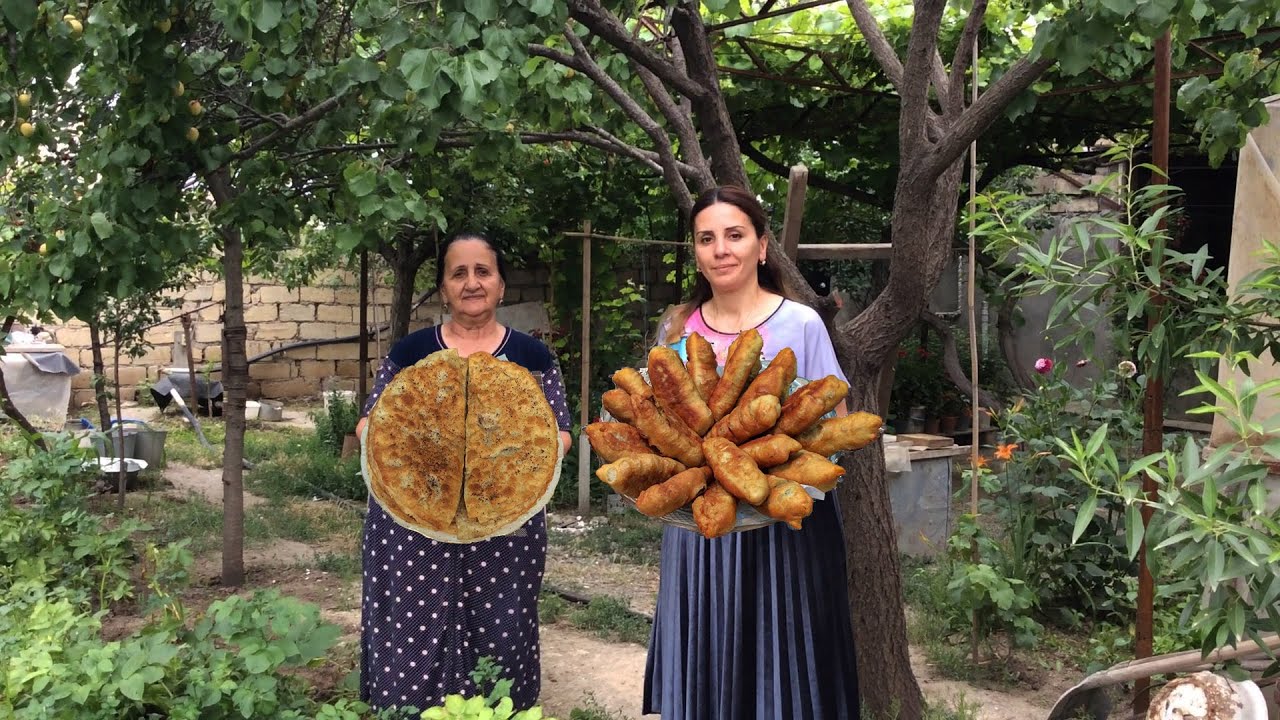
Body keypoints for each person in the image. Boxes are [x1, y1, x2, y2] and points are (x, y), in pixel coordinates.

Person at [642, 186, 861, 719]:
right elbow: (655, 423)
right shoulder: (677, 328)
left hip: (783, 527)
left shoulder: (800, 323)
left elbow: (833, 421)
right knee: (706, 662)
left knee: (784, 666)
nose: (721, 250)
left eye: (735, 236)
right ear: (695, 251)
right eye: (707, 238)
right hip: (701, 531)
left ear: (762, 247)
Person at [355, 231, 572, 714]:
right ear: (444, 287)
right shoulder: (411, 353)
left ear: (500, 285)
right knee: (412, 622)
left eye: (483, 272)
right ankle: (407, 707)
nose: (472, 283)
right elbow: (372, 422)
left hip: (505, 522)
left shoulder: (532, 357)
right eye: (459, 273)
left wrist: (504, 461)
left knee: (500, 622)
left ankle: (498, 708)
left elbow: (559, 433)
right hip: (412, 526)